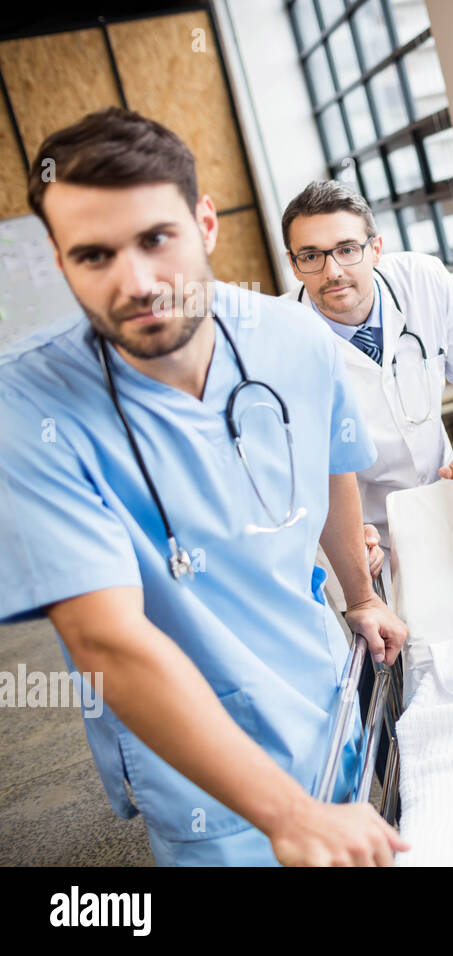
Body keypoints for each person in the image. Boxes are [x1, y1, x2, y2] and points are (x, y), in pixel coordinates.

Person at [0, 107, 410, 865]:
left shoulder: (292, 340)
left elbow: (331, 466)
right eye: (93, 255)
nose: (138, 282)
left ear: (205, 223)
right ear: (61, 264)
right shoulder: (26, 405)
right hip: (197, 761)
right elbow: (106, 641)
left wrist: (360, 595)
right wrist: (287, 813)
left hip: (318, 681)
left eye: (156, 239)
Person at [281, 180, 453, 564]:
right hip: (370, 535)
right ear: (293, 264)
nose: (332, 271)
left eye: (346, 249)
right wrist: (347, 536)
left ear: (375, 248)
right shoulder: (281, 338)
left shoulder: (422, 279)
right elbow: (297, 461)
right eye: (311, 257)